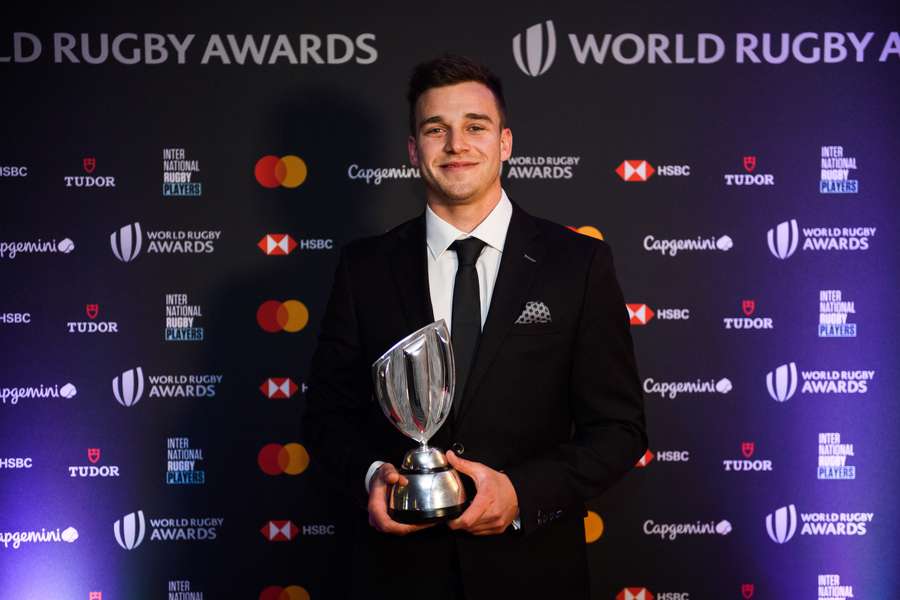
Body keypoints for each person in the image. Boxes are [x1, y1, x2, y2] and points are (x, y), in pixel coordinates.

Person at [303, 54, 647, 600]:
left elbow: (620, 430)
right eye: (436, 129)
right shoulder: (364, 268)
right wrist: (372, 478)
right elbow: (325, 415)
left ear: (505, 142)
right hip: (396, 576)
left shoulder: (577, 264)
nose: (456, 144)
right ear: (414, 151)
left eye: (475, 127)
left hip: (532, 575)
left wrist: (521, 493)